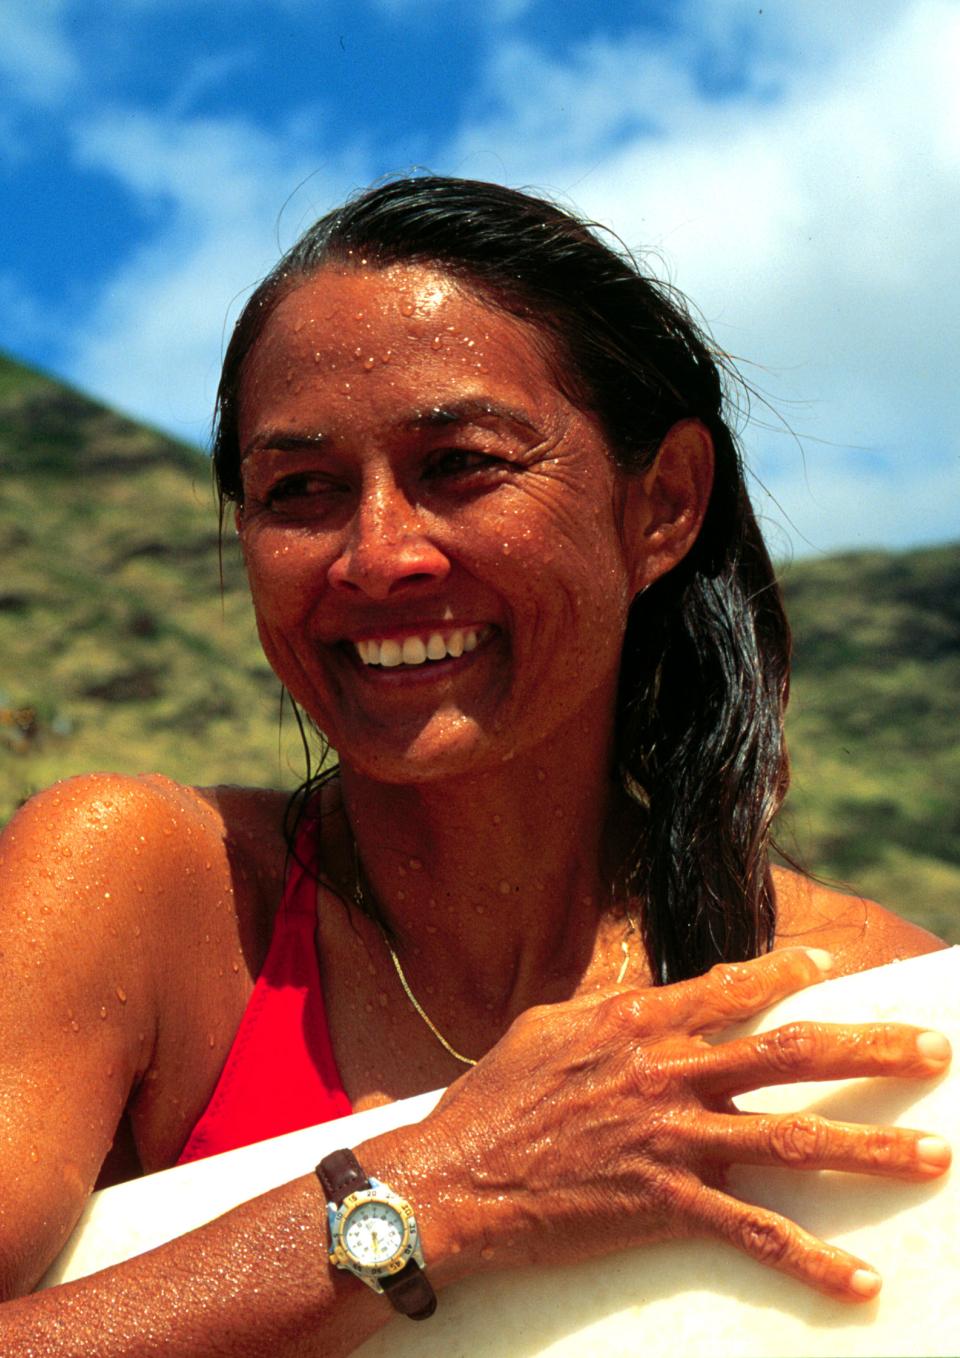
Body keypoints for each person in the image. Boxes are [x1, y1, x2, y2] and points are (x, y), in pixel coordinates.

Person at [0, 176, 950, 1354]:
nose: (377, 552)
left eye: (461, 462)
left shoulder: (863, 1008)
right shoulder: (151, 894)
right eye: (300, 489)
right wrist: (434, 1193)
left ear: (663, 504)